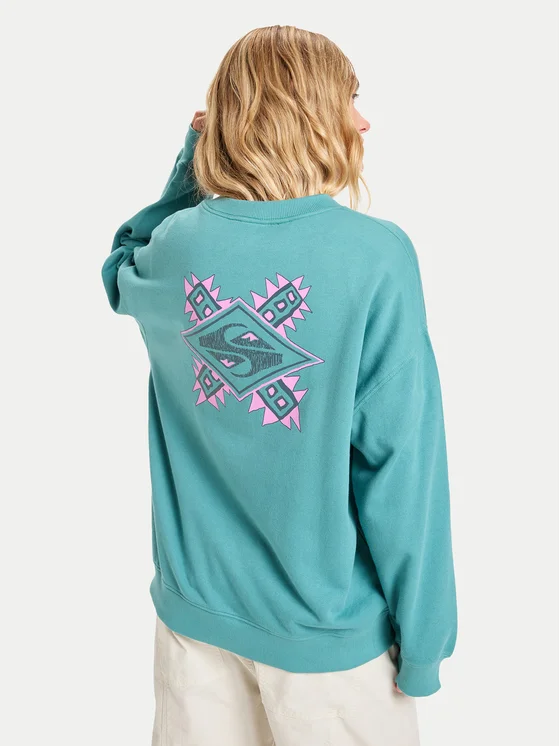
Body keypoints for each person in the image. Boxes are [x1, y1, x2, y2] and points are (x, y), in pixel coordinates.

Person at [101, 24, 457, 746]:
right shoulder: (374, 256)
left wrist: (192, 162)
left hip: (194, 630)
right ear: (309, 111)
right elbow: (402, 466)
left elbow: (120, 266)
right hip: (329, 649)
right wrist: (424, 643)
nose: (363, 120)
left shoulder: (177, 248)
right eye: (349, 98)